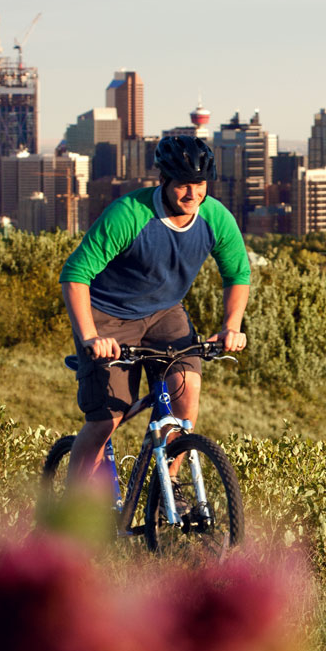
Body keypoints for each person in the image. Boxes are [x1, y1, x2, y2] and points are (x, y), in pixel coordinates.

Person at [57, 134, 251, 495]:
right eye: (182, 185)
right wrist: (89, 337)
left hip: (165, 312)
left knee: (187, 388)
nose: (192, 194)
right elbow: (75, 275)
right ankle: (71, 511)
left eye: (199, 185)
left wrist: (231, 326)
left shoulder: (215, 218)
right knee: (106, 419)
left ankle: (168, 483)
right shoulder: (129, 214)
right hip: (108, 315)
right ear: (164, 181)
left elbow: (238, 274)